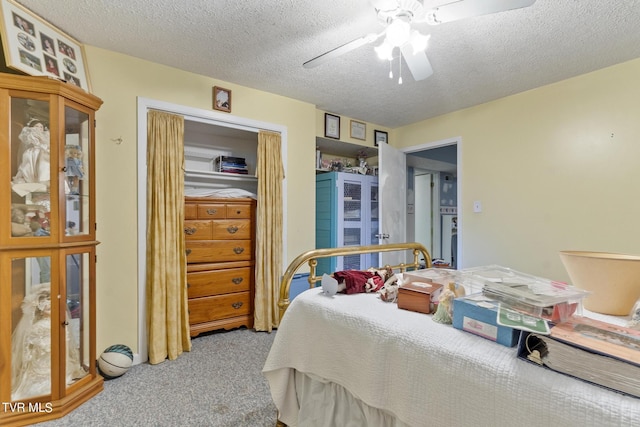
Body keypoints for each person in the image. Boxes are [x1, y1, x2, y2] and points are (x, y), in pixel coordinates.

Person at [13, 119, 50, 185]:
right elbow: (29, 142)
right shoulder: (31, 135)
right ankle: (32, 179)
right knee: (29, 165)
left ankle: (43, 180)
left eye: (41, 127)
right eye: (37, 126)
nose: (39, 128)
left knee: (43, 165)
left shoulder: (46, 134)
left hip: (43, 151)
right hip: (34, 151)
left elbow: (48, 143)